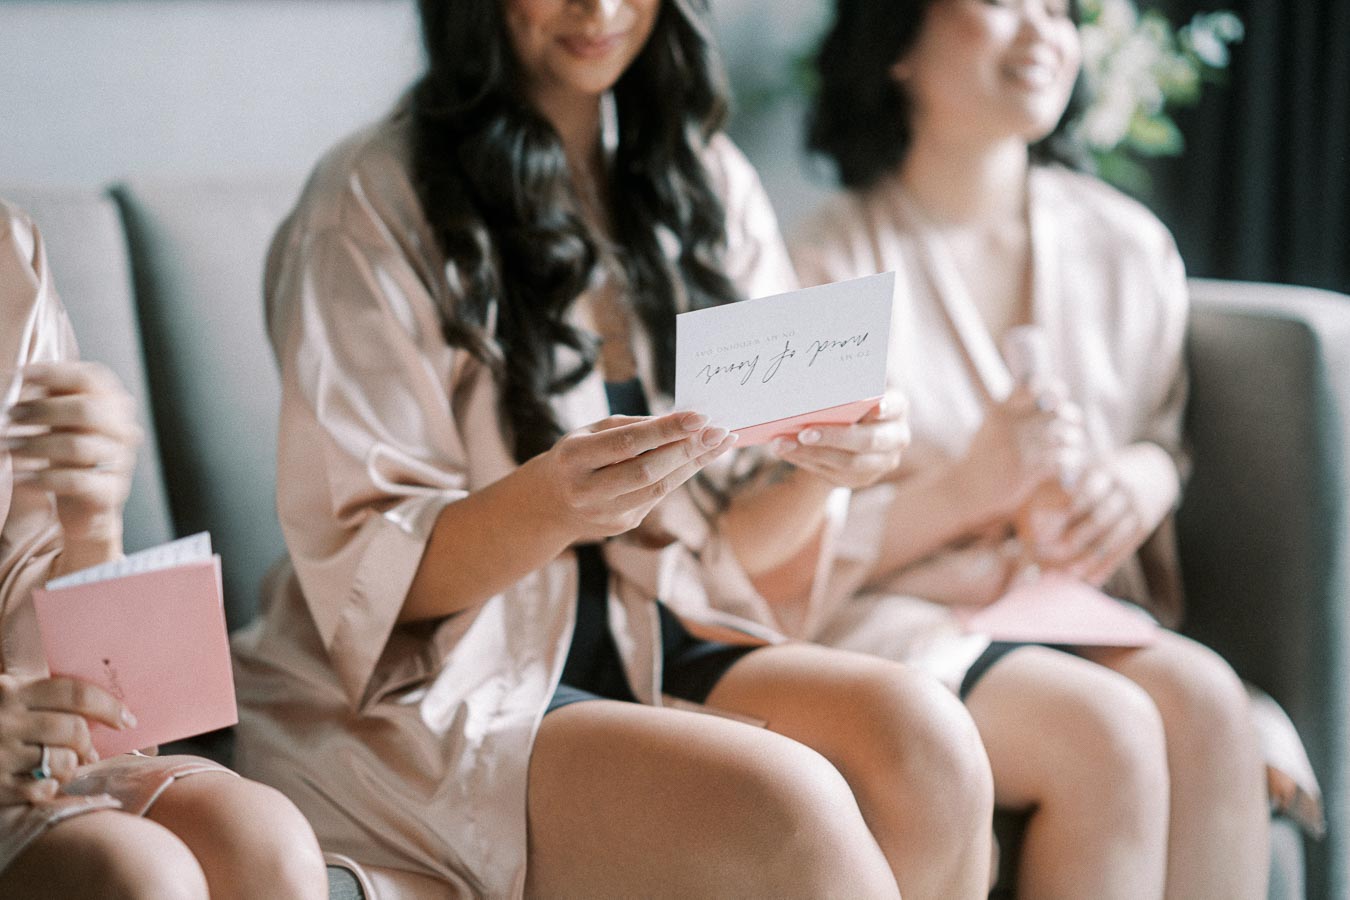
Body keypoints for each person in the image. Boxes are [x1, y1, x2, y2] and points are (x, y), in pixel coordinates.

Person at [229, 1, 997, 897]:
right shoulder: (371, 200)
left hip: (657, 634)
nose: (598, 9)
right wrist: (554, 502)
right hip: (448, 680)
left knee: (929, 740)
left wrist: (826, 465)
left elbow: (736, 551)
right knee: (792, 805)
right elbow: (372, 580)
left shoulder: (699, 177)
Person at [767, 1, 1273, 897]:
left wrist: (1142, 480)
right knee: (1105, 730)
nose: (1042, 30)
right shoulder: (820, 268)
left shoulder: (1127, 245)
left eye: (1063, 9)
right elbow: (773, 565)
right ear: (897, 47)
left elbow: (1164, 435)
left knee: (1211, 707)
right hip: (897, 615)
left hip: (1068, 601)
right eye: (1003, 1)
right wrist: (969, 489)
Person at [0, 199, 328, 899]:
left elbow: (39, 640)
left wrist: (90, 519)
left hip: (16, 744)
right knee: (142, 877)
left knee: (269, 843)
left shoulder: (8, 251)